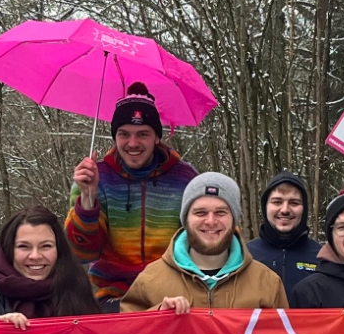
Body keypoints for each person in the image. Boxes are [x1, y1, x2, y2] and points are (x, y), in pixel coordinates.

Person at [67, 85, 199, 305]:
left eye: (142, 134)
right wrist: (87, 201)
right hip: (114, 296)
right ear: (115, 136)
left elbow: (202, 241)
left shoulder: (186, 178)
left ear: (156, 137)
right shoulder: (95, 178)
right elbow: (81, 253)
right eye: (124, 134)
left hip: (175, 294)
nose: (133, 143)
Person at [120, 172, 291, 312]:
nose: (210, 221)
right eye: (200, 212)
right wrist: (157, 315)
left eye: (221, 212)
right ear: (185, 219)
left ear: (234, 220)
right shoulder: (150, 280)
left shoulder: (267, 283)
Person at [247, 172, 321, 295]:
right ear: (265, 207)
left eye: (294, 203)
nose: (285, 210)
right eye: (277, 202)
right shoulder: (245, 256)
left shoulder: (320, 258)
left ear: (304, 208)